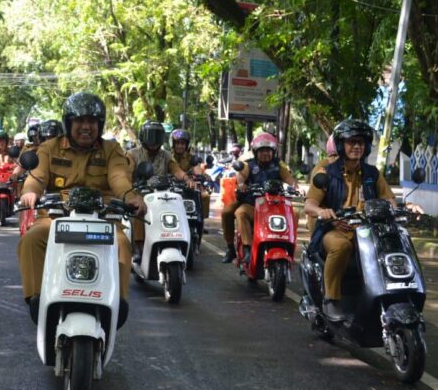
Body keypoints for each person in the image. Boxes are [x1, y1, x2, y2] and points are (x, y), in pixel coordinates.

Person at [18, 92, 146, 324]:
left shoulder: (112, 149)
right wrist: (30, 192)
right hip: (57, 214)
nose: (86, 127)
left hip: (103, 216)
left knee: (121, 243)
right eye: (79, 120)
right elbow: (37, 177)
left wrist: (131, 197)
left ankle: (118, 302)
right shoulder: (49, 148)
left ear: (100, 124)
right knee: (32, 238)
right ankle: (36, 299)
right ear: (68, 123)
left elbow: (119, 178)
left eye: (92, 121)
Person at [304, 120, 396, 321]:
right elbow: (309, 205)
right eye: (351, 142)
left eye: (361, 142)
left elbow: (389, 200)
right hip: (333, 229)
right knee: (341, 246)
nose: (356, 146)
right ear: (340, 145)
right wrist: (323, 212)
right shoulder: (327, 173)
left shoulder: (372, 173)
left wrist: (400, 208)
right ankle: (331, 299)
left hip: (366, 230)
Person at [222, 133, 299, 264]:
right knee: (237, 212)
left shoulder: (279, 166)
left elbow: (288, 178)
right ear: (256, 152)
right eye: (262, 150)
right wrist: (241, 184)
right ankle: (242, 249)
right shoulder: (249, 165)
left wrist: (296, 187)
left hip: (275, 205)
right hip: (252, 204)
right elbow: (241, 175)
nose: (265, 153)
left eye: (268, 150)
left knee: (294, 213)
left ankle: (288, 247)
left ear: (273, 151)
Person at [127, 121, 195, 260]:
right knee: (139, 211)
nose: (153, 141)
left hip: (161, 194)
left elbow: (176, 170)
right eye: (150, 136)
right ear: (143, 137)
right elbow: (127, 174)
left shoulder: (166, 155)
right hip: (139, 193)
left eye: (156, 137)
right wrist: (130, 189)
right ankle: (139, 247)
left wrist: (186, 179)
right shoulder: (132, 154)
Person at [170, 128, 212, 232]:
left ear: (187, 145)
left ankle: (200, 221)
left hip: (188, 185)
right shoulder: (167, 156)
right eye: (177, 143)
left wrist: (202, 176)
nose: (180, 146)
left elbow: (197, 169)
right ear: (173, 144)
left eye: (183, 143)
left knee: (204, 196)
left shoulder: (191, 157)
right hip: (169, 186)